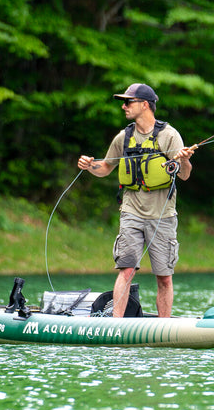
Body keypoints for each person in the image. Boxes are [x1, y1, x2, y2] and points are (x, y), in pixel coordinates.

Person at [77, 83, 197, 318]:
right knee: (126, 269)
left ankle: (163, 329)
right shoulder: (123, 137)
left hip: (162, 216)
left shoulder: (169, 135)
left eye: (128, 102)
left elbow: (185, 174)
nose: (123, 106)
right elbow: (105, 168)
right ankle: (116, 325)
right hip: (131, 211)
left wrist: (184, 160)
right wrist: (89, 165)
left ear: (144, 105)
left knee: (164, 276)